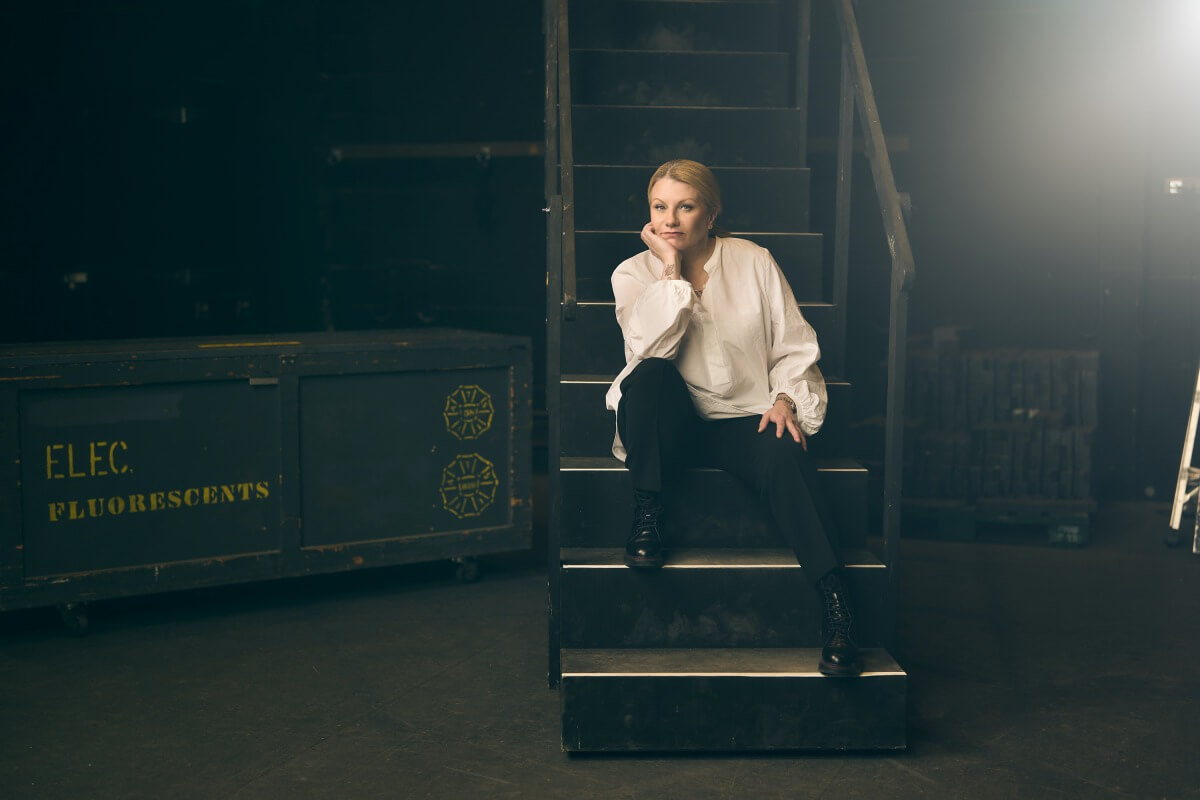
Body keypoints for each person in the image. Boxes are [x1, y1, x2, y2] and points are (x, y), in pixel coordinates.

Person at [604, 159, 860, 678]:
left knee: (785, 454)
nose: (670, 219)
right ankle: (648, 513)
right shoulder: (632, 273)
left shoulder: (754, 262)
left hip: (742, 415)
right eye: (659, 207)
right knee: (649, 376)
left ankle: (836, 603)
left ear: (711, 212)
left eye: (685, 206)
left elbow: (793, 345)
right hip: (670, 423)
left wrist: (786, 398)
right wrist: (670, 268)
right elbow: (647, 347)